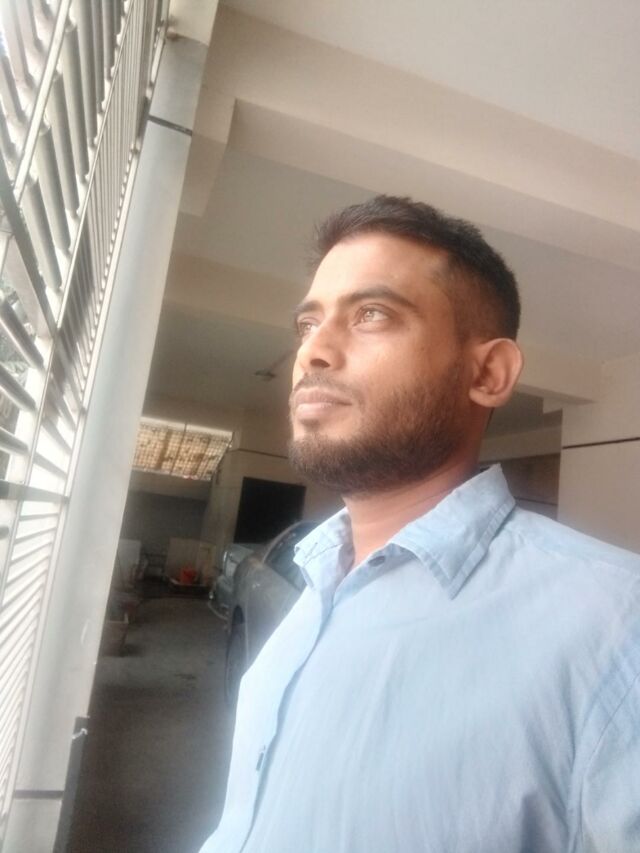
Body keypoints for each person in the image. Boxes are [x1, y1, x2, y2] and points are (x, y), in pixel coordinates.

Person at [200, 196, 640, 853]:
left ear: (488, 373)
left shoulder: (616, 625)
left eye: (372, 314)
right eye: (308, 323)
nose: (313, 351)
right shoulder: (315, 584)